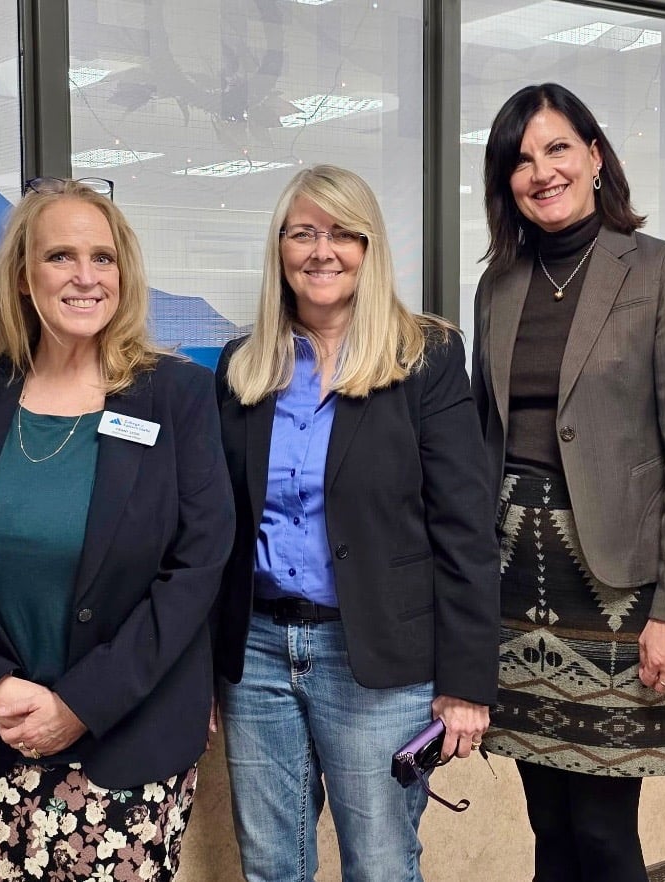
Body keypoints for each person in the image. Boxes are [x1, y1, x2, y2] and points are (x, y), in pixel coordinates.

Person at [0, 176, 234, 882]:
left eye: (102, 258)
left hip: (122, 748)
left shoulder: (177, 395)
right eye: (60, 257)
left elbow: (196, 570)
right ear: (23, 277)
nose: (84, 277)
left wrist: (80, 703)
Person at [213, 164, 500, 882]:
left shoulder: (424, 358)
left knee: (378, 866)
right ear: (278, 249)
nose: (322, 249)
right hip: (258, 655)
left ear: (369, 249)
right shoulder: (241, 367)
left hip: (377, 660)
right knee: (271, 867)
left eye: (343, 232)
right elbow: (214, 531)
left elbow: (464, 528)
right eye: (302, 232)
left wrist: (467, 683)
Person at [471, 83, 665, 881]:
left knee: (605, 834)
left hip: (614, 592)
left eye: (555, 149)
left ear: (593, 155)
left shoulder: (661, 271)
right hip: (513, 588)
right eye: (519, 160)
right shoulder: (498, 285)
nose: (539, 171)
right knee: (548, 826)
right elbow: (484, 437)